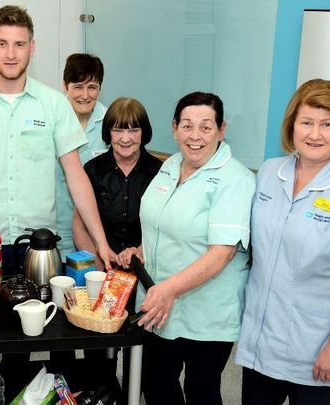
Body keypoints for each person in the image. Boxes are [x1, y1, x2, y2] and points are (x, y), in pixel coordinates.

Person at [0, 5, 115, 280]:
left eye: (19, 44)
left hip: (40, 249)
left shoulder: (54, 105)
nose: (11, 54)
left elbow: (76, 176)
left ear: (32, 47)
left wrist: (100, 242)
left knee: (44, 322)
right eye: (2, 44)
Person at [235, 79, 330, 405]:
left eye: (327, 124)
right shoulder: (268, 174)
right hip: (263, 341)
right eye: (306, 122)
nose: (315, 134)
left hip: (317, 347)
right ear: (291, 127)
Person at [118, 92, 255, 405]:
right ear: (175, 128)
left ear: (222, 130)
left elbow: (222, 253)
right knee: (156, 384)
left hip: (205, 312)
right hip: (157, 302)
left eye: (206, 127)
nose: (196, 136)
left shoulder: (235, 180)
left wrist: (169, 290)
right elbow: (161, 221)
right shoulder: (170, 165)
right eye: (188, 126)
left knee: (200, 391)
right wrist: (141, 248)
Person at [73, 97, 162, 263]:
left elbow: (163, 228)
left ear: (144, 132)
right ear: (108, 132)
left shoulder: (160, 172)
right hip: (100, 266)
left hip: (145, 265)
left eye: (134, 130)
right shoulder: (93, 170)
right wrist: (99, 265)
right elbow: (80, 228)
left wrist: (140, 253)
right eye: (118, 130)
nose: (126, 138)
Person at [56, 53, 108, 260]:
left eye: (92, 87)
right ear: (65, 86)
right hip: (54, 231)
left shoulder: (110, 123)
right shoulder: (50, 118)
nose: (85, 95)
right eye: (78, 86)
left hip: (94, 234)